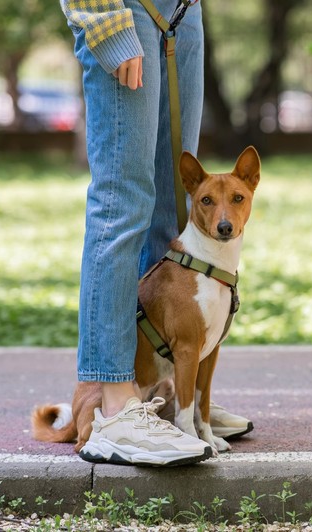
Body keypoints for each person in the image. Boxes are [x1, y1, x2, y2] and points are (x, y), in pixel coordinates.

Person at [59, 0, 252, 466]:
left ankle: (170, 395)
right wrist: (105, 20)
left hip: (185, 11)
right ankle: (116, 402)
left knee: (170, 205)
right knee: (122, 202)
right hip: (125, 9)